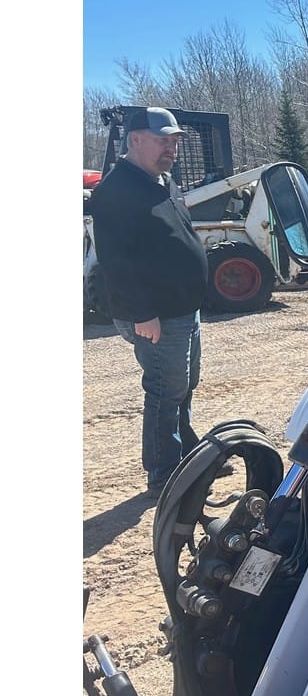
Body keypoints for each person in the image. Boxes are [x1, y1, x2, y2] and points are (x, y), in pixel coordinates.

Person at [89, 107, 210, 496]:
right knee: (164, 391)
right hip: (155, 315)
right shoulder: (115, 192)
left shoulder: (164, 182)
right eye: (163, 140)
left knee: (184, 385)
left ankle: (186, 456)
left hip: (183, 308)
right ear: (135, 139)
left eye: (175, 140)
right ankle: (164, 476)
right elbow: (116, 262)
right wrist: (143, 313)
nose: (171, 148)